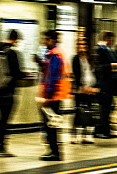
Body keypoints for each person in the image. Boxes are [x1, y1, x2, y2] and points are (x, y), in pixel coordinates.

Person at [0, 29, 26, 157]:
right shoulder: (11, 53)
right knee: (4, 119)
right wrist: (24, 74)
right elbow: (16, 73)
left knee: (0, 117)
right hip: (8, 90)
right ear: (15, 39)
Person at [35, 29, 69, 160]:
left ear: (52, 40)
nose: (43, 42)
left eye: (46, 39)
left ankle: (55, 152)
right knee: (51, 125)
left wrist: (47, 97)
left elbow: (53, 77)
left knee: (51, 125)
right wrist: (40, 63)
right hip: (54, 95)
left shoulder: (55, 55)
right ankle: (53, 150)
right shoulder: (53, 54)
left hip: (53, 96)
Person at [93, 31, 117, 138]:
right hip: (103, 84)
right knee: (103, 109)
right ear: (106, 39)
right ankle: (101, 131)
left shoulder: (109, 51)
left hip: (110, 84)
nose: (112, 42)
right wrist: (111, 66)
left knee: (108, 108)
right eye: (110, 39)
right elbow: (98, 67)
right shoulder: (99, 50)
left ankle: (105, 130)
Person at [71, 40, 97, 144]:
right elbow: (76, 74)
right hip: (80, 90)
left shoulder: (91, 59)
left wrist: (93, 88)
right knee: (78, 112)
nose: (82, 48)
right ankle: (75, 134)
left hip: (90, 89)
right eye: (80, 45)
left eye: (84, 45)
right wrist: (81, 87)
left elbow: (94, 72)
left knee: (88, 112)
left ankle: (86, 135)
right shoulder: (76, 59)